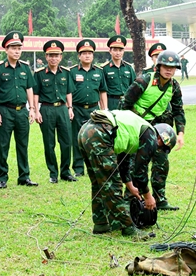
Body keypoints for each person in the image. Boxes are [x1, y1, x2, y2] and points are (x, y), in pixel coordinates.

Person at [78, 109, 176, 240]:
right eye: (162, 148)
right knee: (113, 184)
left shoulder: (137, 130)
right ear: (161, 138)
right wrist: (147, 196)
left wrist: (130, 187)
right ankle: (128, 228)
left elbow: (123, 162)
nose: (158, 151)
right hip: (100, 134)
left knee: (99, 182)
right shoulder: (150, 137)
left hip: (86, 131)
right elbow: (139, 171)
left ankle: (101, 223)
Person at [121, 49, 186, 211]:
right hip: (139, 127)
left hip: (159, 131)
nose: (169, 70)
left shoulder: (174, 86)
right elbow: (125, 103)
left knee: (161, 163)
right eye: (165, 66)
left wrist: (180, 133)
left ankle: (160, 198)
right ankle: (131, 197)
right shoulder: (144, 81)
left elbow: (179, 110)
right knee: (136, 163)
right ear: (158, 67)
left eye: (173, 67)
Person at [0, 31, 38, 188]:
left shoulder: (25, 67)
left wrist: (32, 108)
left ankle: (24, 176)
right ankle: (2, 178)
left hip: (22, 111)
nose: (17, 51)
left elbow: (29, 88)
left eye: (19, 48)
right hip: (5, 110)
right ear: (6, 49)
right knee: (3, 145)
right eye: (13, 48)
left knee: (22, 144)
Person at [33, 39, 75, 183]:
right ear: (46, 57)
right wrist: (36, 111)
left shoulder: (66, 73)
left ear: (61, 57)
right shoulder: (39, 74)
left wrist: (70, 108)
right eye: (51, 55)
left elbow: (69, 91)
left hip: (63, 109)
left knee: (66, 142)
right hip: (46, 109)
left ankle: (66, 172)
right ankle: (53, 173)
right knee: (49, 143)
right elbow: (35, 93)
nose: (54, 58)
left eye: (56, 55)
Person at [67, 39, 108, 177]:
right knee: (77, 138)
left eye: (90, 53)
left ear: (93, 55)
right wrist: (70, 107)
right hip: (77, 109)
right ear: (79, 55)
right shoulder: (72, 71)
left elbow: (102, 91)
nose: (87, 55)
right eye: (84, 53)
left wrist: (105, 109)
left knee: (94, 138)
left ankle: (94, 166)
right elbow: (69, 92)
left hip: (94, 109)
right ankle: (78, 168)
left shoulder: (99, 71)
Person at [102, 35, 135, 111]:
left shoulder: (129, 68)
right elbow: (102, 90)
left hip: (126, 101)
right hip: (112, 102)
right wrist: (105, 108)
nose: (118, 53)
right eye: (115, 50)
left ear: (123, 51)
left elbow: (134, 87)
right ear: (110, 51)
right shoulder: (104, 68)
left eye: (120, 50)